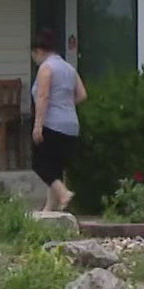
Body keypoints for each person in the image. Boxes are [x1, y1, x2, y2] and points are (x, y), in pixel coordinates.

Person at [30, 32, 86, 212]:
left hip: (52, 123)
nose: (34, 59)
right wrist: (65, 105)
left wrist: (38, 125)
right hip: (71, 124)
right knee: (55, 167)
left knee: (39, 163)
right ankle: (49, 209)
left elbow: (43, 96)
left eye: (34, 55)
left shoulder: (46, 68)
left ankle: (63, 194)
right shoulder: (69, 68)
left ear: (38, 51)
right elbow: (82, 95)